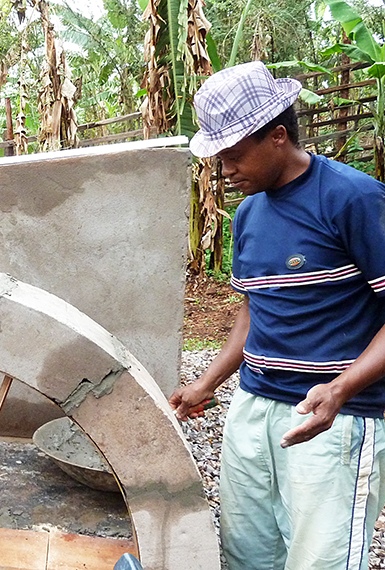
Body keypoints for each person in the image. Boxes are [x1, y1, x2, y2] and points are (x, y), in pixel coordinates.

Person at [170, 61, 385, 570]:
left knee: (320, 558)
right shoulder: (248, 215)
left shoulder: (351, 198)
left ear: (277, 137)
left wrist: (340, 390)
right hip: (253, 407)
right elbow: (253, 313)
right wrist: (208, 383)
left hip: (334, 417)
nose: (225, 170)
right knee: (248, 551)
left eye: (234, 155)